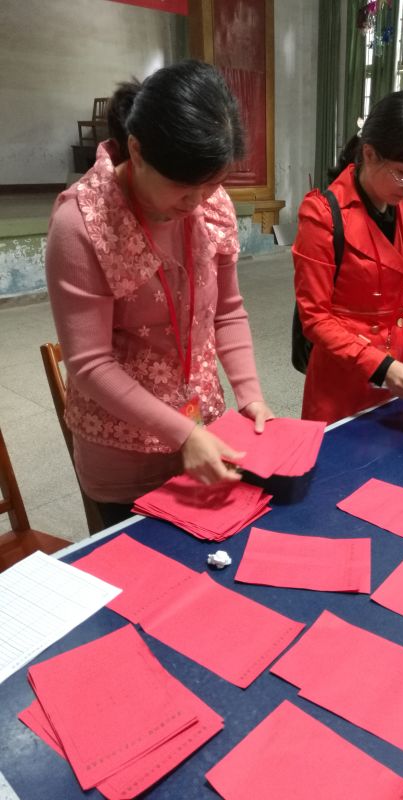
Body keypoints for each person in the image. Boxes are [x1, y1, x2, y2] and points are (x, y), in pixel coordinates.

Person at [45, 60, 273, 527]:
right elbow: (89, 365)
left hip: (205, 436)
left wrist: (250, 395)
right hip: (125, 457)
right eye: (183, 187)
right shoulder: (83, 223)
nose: (197, 202)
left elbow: (227, 312)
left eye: (212, 185)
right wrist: (182, 434)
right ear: (137, 149)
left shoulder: (209, 203)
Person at [293, 90, 403, 424]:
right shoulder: (323, 214)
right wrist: (380, 366)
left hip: (402, 371)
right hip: (344, 378)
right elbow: (315, 318)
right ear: (369, 154)